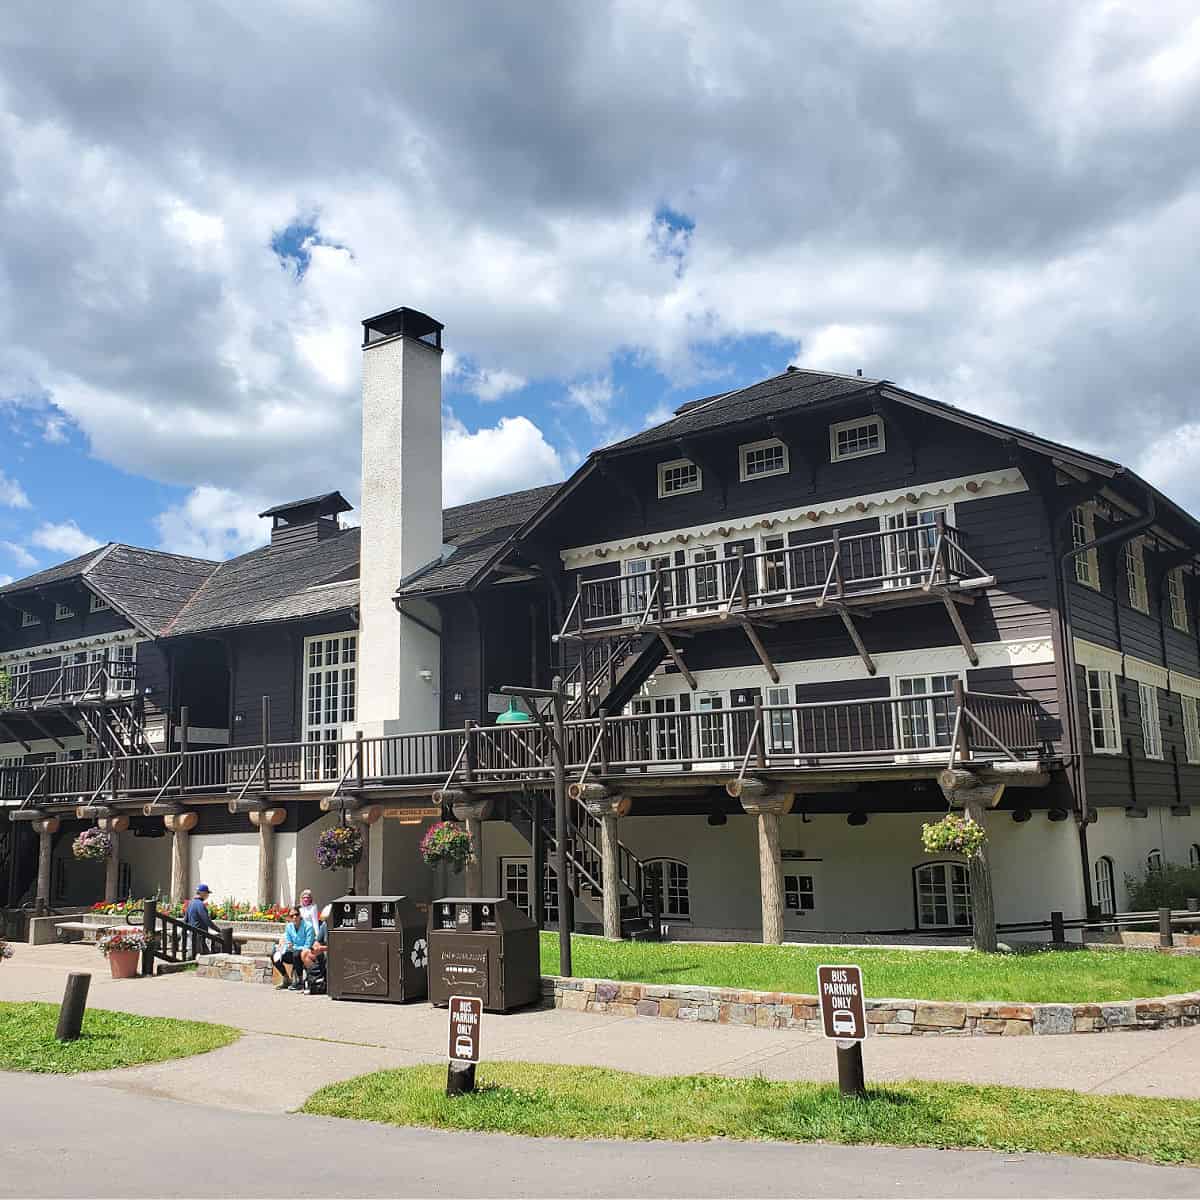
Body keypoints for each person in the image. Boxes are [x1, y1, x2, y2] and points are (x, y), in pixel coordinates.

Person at [272, 907, 314, 991]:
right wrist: (282, 947)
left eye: (296, 914)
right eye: (292, 916)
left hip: (305, 954)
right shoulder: (289, 927)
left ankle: (300, 981)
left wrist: (294, 947)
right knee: (274, 955)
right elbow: (288, 942)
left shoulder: (308, 926)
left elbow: (307, 945)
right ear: (289, 918)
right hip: (293, 952)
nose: (294, 917)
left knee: (296, 954)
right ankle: (286, 979)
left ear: (300, 915)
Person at [300, 904, 330, 995]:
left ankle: (321, 981)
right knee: (305, 953)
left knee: (323, 956)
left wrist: (322, 948)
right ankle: (314, 979)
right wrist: (315, 947)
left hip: (332, 952)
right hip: (323, 950)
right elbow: (318, 940)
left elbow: (338, 946)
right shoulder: (324, 925)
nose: (326, 920)